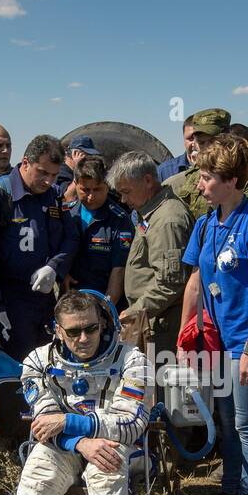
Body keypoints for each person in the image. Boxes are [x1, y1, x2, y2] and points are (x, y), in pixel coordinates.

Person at [5, 291, 151, 495]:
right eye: (72, 332)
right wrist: (80, 441)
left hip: (112, 441)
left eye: (91, 329)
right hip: (67, 444)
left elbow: (131, 423)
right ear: (58, 330)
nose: (83, 338)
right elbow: (43, 424)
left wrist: (71, 422)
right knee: (35, 482)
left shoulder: (133, 361)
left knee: (106, 474)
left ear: (103, 324)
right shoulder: (37, 363)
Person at [179, 135, 248, 495]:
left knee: (247, 424)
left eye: (207, 178)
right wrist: (185, 337)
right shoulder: (205, 225)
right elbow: (194, 281)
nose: (200, 185)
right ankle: (229, 488)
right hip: (214, 342)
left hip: (246, 342)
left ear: (233, 180)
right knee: (225, 420)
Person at [0, 134, 79, 360]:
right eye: (43, 172)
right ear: (26, 162)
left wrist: (54, 267)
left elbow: (71, 238)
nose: (49, 181)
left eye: (54, 175)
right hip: (10, 300)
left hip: (44, 298)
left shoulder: (54, 196)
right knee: (19, 368)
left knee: (48, 362)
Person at [109, 151, 194, 357]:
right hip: (152, 321)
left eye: (127, 191)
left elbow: (169, 282)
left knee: (161, 388)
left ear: (148, 180)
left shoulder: (167, 220)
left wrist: (135, 312)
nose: (123, 199)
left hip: (162, 328)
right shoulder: (151, 213)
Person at [167, 109, 248, 219]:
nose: (207, 147)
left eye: (212, 141)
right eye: (201, 142)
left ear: (227, 138)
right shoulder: (194, 175)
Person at [64, 155, 132, 306]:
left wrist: (105, 310)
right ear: (75, 184)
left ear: (108, 186)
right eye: (85, 189)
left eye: (97, 189)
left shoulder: (120, 220)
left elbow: (119, 271)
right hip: (70, 301)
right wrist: (62, 273)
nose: (91, 196)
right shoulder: (65, 214)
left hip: (104, 300)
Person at [54, 134, 102, 201]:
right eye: (87, 155)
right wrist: (78, 169)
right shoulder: (60, 172)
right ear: (75, 153)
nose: (90, 159)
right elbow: (66, 198)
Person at [156, 115, 194, 182]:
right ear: (184, 140)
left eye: (201, 140)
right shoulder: (164, 171)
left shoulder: (217, 171)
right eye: (190, 138)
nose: (195, 143)